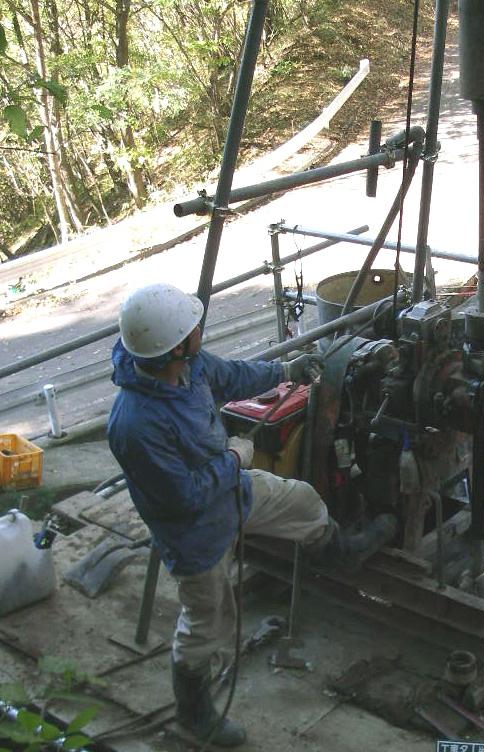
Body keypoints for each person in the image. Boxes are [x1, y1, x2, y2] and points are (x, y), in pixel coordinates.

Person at [108, 283, 396, 748]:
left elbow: (234, 376)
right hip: (196, 533)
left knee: (302, 502)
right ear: (174, 346)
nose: (199, 329)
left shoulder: (187, 366)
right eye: (191, 328)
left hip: (232, 494)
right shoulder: (135, 425)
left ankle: (340, 554)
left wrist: (287, 369)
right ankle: (194, 711)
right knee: (209, 622)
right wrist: (236, 458)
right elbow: (184, 497)